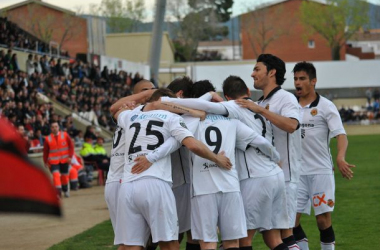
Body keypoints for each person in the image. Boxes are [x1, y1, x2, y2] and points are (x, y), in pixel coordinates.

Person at [160, 77, 290, 250]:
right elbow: (261, 142)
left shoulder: (188, 121)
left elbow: (171, 144)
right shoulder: (232, 121)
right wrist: (275, 158)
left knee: (208, 242)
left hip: (203, 190)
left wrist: (151, 158)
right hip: (230, 187)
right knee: (232, 243)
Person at [113, 88, 232, 250]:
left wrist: (129, 105)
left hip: (128, 185)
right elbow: (192, 145)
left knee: (130, 245)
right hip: (155, 183)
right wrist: (216, 158)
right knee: (169, 243)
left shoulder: (130, 116)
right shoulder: (171, 117)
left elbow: (116, 111)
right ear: (169, 103)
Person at [235, 54, 302, 249]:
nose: (252, 73)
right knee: (272, 236)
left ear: (271, 72)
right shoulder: (262, 101)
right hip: (270, 176)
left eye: (257, 69)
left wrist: (261, 111)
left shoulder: (286, 98)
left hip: (286, 176)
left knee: (285, 233)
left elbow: (291, 125)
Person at [292, 61, 355, 250]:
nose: (297, 83)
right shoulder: (289, 105)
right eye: (295, 79)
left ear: (313, 81)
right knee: (290, 222)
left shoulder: (326, 106)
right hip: (296, 173)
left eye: (302, 78)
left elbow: (341, 135)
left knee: (322, 220)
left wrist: (340, 157)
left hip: (320, 171)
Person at [43, 121, 74, 197]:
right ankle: (58, 193)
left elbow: (71, 146)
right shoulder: (48, 139)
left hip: (65, 160)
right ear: (51, 128)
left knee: (64, 177)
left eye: (56, 126)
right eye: (53, 127)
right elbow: (45, 151)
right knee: (56, 175)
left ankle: (65, 190)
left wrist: (70, 156)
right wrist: (45, 161)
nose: (54, 128)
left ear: (58, 127)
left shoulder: (65, 135)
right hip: (54, 161)